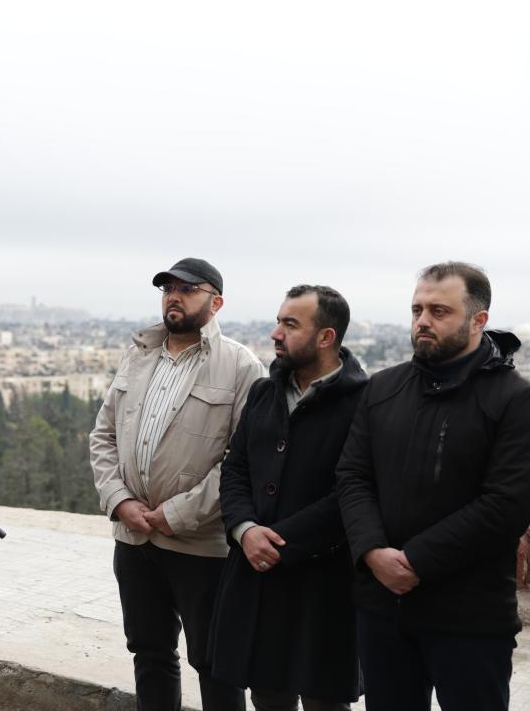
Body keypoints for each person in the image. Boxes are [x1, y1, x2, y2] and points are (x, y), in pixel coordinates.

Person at [337, 262, 530, 711]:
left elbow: (507, 505)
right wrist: (372, 552)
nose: (423, 321)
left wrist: (415, 561)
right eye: (417, 309)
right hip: (382, 607)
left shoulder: (513, 399)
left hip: (469, 616)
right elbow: (352, 476)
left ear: (478, 320)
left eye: (439, 311)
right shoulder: (383, 387)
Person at [90, 258, 263, 711]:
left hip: (200, 546)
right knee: (148, 653)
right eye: (168, 288)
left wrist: (176, 514)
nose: (174, 296)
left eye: (188, 289)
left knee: (215, 663)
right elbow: (103, 435)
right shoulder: (139, 354)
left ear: (216, 302)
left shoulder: (241, 367)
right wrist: (119, 500)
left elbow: (242, 461)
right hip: (134, 538)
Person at [210, 285, 366, 710]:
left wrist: (277, 541)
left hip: (323, 584)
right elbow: (236, 467)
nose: (276, 333)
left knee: (324, 699)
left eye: (290, 324)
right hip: (257, 576)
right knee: (266, 694)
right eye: (279, 321)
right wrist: (244, 530)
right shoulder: (264, 393)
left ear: (326, 337)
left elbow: (353, 491)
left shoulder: (364, 403)